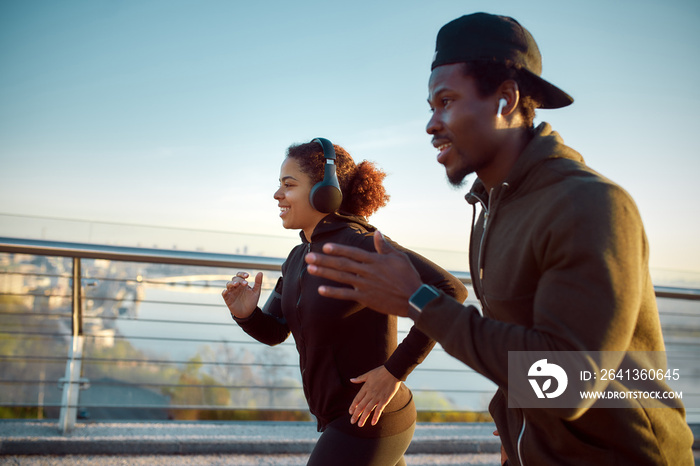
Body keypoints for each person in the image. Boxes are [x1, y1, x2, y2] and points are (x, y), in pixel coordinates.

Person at [303, 13, 694, 466]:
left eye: (446, 101)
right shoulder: (490, 207)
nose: (431, 124)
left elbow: (568, 387)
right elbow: (524, 343)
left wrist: (419, 301)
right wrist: (513, 426)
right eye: (430, 106)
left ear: (505, 99)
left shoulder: (590, 205)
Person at [222, 139, 467, 466]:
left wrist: (394, 371)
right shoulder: (297, 258)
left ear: (325, 191)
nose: (277, 194)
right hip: (345, 417)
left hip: (371, 418)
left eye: (288, 185)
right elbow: (276, 330)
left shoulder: (362, 244)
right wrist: (247, 315)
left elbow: (449, 290)